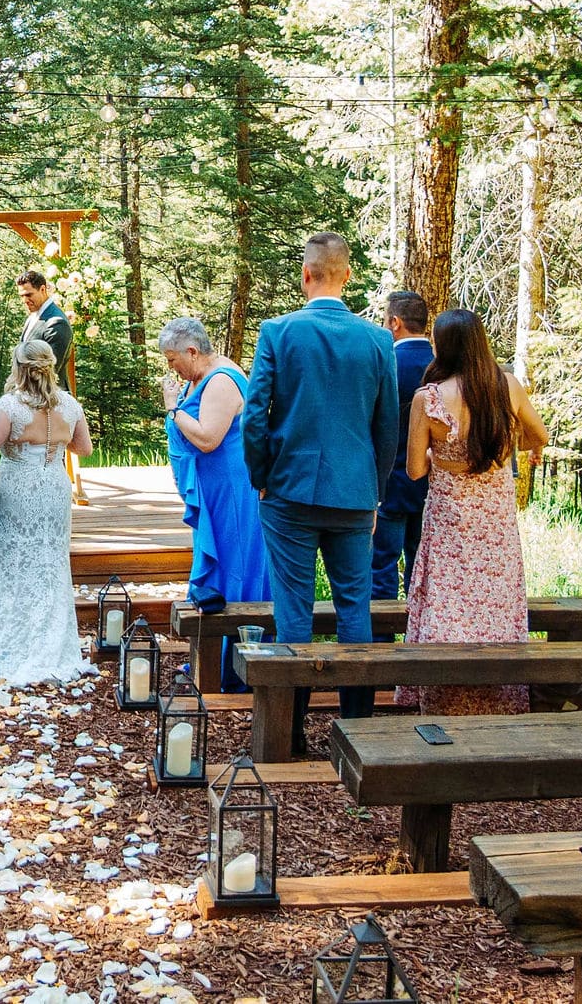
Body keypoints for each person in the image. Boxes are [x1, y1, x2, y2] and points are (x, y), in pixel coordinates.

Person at [243, 233, 399, 738]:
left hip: (288, 492)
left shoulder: (278, 332)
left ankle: (289, 730)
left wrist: (260, 477)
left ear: (305, 275)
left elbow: (254, 417)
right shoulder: (377, 339)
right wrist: (373, 492)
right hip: (354, 494)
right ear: (347, 276)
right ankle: (358, 729)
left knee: (294, 611)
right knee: (356, 607)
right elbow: (387, 425)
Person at [399, 309, 547, 716]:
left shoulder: (428, 399)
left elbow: (414, 470)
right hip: (495, 524)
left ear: (442, 347)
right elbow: (540, 434)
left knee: (447, 602)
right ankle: (499, 699)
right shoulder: (508, 388)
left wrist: (439, 453)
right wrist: (503, 446)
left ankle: (443, 698)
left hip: (450, 522)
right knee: (495, 604)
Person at [0, 339, 94, 686]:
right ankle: (51, 643)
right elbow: (84, 448)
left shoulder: (11, 406)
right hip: (54, 488)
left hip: (18, 489)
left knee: (11, 559)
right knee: (50, 561)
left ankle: (8, 642)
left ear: (20, 367)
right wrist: (55, 444)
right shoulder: (70, 405)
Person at [159, 316, 267, 692]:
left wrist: (173, 409)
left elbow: (208, 438)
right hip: (217, 489)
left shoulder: (220, 380)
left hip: (232, 493)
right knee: (221, 566)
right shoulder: (201, 377)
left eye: (173, 359)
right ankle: (213, 661)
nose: (171, 366)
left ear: (192, 351)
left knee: (234, 565)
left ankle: (237, 666)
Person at [374, 291, 433, 611]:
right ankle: (417, 642)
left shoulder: (387, 363)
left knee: (382, 566)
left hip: (389, 483)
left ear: (395, 323)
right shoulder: (441, 366)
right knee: (421, 570)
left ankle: (382, 645)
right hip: (431, 485)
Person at [16, 271, 72, 376]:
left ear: (42, 289)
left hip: (48, 391)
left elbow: (49, 371)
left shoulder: (57, 323)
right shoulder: (33, 316)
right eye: (22, 296)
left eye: (28, 295)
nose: (25, 300)